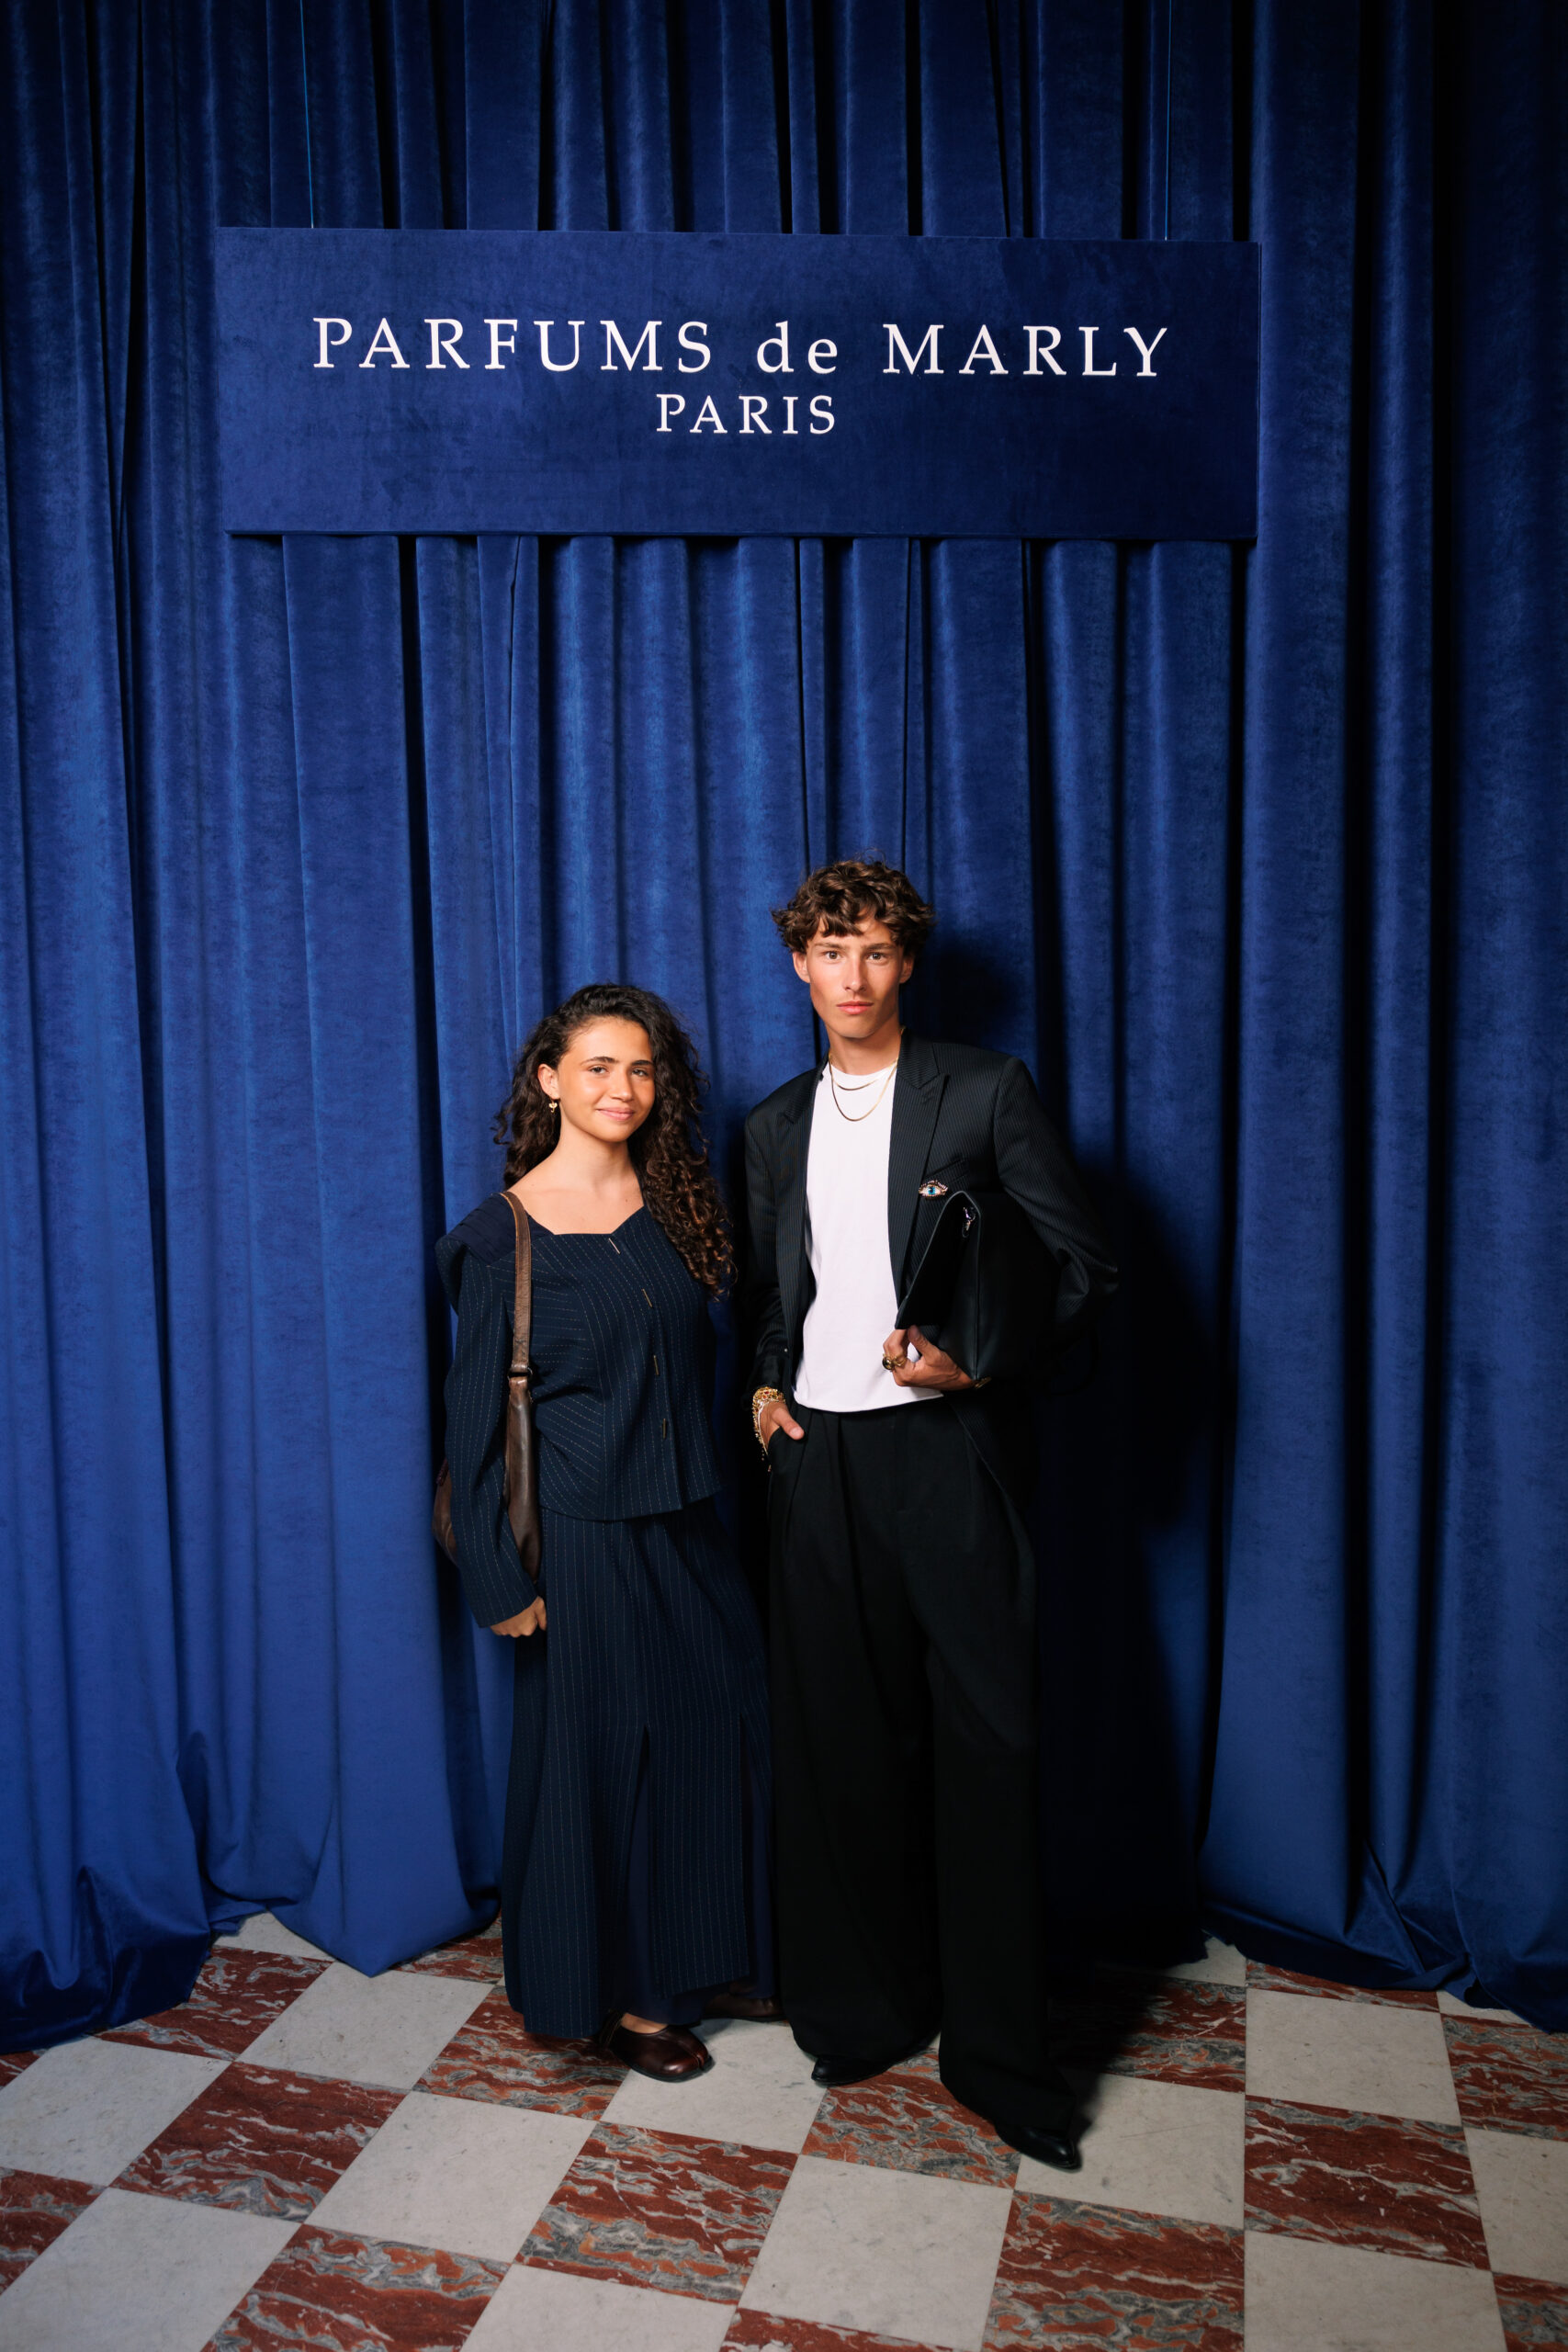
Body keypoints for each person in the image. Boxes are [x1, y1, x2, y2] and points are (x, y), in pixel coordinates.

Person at [744, 858, 1117, 2168]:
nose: (851, 974)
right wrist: (762, 1389)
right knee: (842, 1751)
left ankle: (1003, 2061)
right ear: (799, 963)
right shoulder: (773, 1122)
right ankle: (865, 2011)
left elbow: (1083, 1267)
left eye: (875, 950)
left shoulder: (983, 1087)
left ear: (906, 963)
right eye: (828, 949)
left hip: (947, 1454)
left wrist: (979, 1363)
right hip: (819, 1464)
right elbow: (771, 1295)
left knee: (986, 1748)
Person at [438, 983, 779, 2082]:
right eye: (597, 1066)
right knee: (605, 1769)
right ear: (549, 1080)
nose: (622, 1088)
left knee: (715, 1738)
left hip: (693, 1525)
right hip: (583, 1541)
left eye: (640, 1068)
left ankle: (702, 1962)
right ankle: (621, 2002)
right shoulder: (497, 1239)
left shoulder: (677, 1206)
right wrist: (498, 1577)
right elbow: (473, 1427)